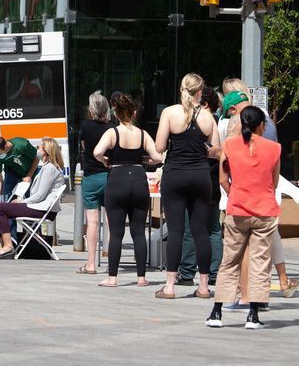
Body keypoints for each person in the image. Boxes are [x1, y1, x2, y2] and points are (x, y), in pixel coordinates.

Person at [207, 106, 281, 330]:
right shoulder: (274, 148)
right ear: (261, 125)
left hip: (237, 209)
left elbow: (222, 179)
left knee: (229, 260)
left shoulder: (229, 145)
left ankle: (217, 311)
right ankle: (253, 314)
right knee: (260, 262)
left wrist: (235, 194)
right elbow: (274, 182)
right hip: (264, 210)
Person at [154, 73, 220, 300]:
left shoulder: (170, 113)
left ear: (182, 88)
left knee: (175, 231)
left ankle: (170, 286)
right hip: (201, 175)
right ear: (200, 91)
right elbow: (215, 151)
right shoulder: (208, 117)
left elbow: (160, 146)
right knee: (201, 230)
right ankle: (203, 286)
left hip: (175, 174)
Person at [94, 94, 163, 288]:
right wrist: (143, 160)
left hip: (117, 179)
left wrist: (105, 160)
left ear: (115, 113)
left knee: (116, 233)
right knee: (139, 232)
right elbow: (157, 156)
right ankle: (141, 277)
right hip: (139, 179)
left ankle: (112, 277)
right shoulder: (142, 134)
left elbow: (97, 152)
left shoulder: (112, 133)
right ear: (134, 113)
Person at [177, 86, 225, 285]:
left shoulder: (200, 121)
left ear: (204, 104)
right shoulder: (219, 122)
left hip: (197, 178)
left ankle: (187, 271)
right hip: (213, 181)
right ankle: (214, 273)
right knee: (213, 228)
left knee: (190, 227)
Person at [0, 137, 66, 259]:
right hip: (38, 206)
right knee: (0, 207)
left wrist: (21, 202)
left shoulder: (49, 168)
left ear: (46, 151)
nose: (37, 149)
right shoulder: (48, 167)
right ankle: (8, 243)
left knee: (0, 209)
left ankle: (9, 247)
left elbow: (40, 195)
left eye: (40, 147)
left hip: (42, 208)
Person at [77, 91, 114, 274]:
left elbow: (85, 148)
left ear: (91, 109)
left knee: (92, 221)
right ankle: (113, 264)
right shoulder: (112, 127)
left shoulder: (85, 125)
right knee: (111, 221)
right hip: (109, 176)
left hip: (91, 177)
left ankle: (91, 263)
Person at [0, 136, 39, 204]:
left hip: (29, 171)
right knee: (7, 201)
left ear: (6, 146)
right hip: (11, 173)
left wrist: (29, 175)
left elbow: (36, 159)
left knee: (30, 199)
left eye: (0, 154)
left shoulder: (22, 145)